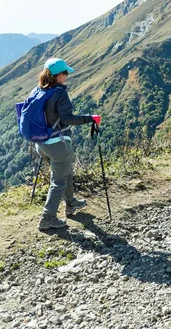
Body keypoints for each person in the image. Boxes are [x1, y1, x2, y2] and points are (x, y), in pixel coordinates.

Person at [35, 58, 101, 230]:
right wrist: (90, 118)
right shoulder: (59, 93)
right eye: (65, 73)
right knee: (58, 181)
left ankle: (71, 203)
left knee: (65, 173)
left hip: (41, 144)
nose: (66, 76)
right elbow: (67, 119)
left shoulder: (39, 90)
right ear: (58, 76)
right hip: (58, 144)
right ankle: (47, 218)